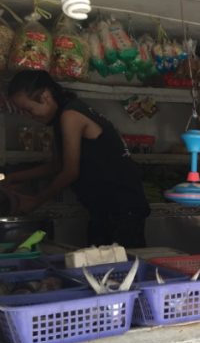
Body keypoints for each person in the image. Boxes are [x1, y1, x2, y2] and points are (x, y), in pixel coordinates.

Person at [4, 70, 150, 247]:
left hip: (121, 207)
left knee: (120, 260)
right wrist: (12, 177)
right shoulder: (61, 117)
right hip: (105, 208)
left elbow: (70, 172)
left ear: (45, 96)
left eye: (28, 110)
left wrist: (36, 201)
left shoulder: (70, 115)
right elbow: (58, 165)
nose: (29, 116)